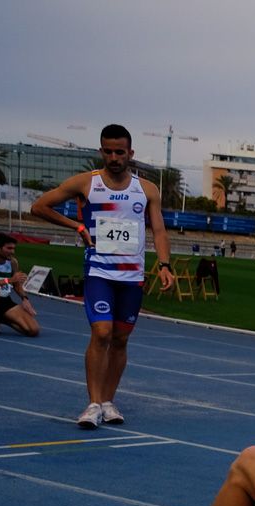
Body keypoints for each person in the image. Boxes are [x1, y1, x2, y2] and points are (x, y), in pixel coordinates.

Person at [31, 124, 173, 429]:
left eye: (119, 152)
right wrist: (77, 227)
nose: (113, 157)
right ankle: (93, 403)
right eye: (107, 151)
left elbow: (159, 229)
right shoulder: (86, 183)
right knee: (102, 333)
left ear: (130, 153)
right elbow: (39, 206)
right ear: (101, 151)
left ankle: (108, 401)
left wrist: (164, 264)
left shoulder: (147, 189)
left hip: (132, 277)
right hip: (99, 272)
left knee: (120, 340)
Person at [0, 233, 40, 337]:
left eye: (13, 248)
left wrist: (24, 298)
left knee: (33, 330)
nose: (12, 252)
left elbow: (16, 285)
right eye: (9, 248)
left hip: (4, 301)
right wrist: (9, 280)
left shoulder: (12, 262)